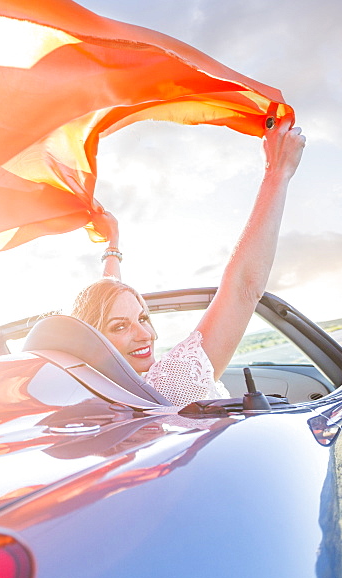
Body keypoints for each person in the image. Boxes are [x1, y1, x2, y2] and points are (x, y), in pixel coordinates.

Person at [71, 117, 305, 407]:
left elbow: (109, 297)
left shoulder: (88, 397)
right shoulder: (165, 387)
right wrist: (277, 173)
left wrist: (113, 246)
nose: (145, 334)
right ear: (93, 341)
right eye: (120, 327)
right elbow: (243, 289)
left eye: (143, 318)